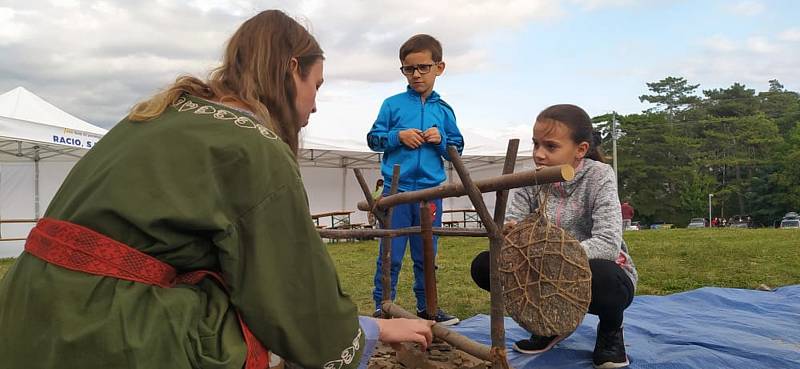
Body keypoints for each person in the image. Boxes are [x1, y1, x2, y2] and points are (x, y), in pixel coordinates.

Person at [0, 10, 433, 369]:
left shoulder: (155, 117)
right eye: (315, 86)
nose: (315, 105)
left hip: (25, 308)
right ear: (290, 69)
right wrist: (364, 331)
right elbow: (291, 292)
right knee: (246, 339)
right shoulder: (250, 144)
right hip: (102, 329)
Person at [470, 104, 638, 368]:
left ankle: (610, 331)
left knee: (607, 277)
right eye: (535, 144)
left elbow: (607, 243)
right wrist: (509, 232)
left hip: (588, 269)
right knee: (485, 264)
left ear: (580, 149)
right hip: (540, 271)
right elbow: (516, 230)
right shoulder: (531, 179)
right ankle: (547, 323)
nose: (538, 154)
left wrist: (555, 259)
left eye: (550, 147)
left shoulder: (599, 176)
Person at [366, 34, 464, 325]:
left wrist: (441, 139)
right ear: (403, 71)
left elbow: (456, 147)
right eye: (409, 69)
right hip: (397, 192)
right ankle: (382, 308)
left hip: (430, 193)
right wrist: (398, 136)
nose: (417, 74)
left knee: (426, 255)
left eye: (423, 67)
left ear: (439, 67)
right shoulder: (392, 105)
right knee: (390, 254)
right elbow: (373, 138)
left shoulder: (443, 110)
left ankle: (428, 308)